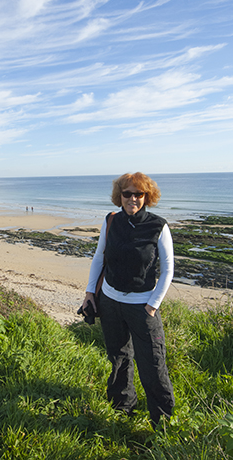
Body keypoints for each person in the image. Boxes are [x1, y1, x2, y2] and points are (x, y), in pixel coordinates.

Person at [81, 172, 175, 428]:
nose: (132, 198)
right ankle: (122, 407)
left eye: (139, 194)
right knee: (119, 356)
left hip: (143, 306)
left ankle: (162, 422)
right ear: (119, 196)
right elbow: (99, 257)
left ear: (147, 196)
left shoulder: (158, 226)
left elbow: (168, 270)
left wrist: (152, 305)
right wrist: (91, 292)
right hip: (110, 301)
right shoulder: (111, 221)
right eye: (127, 193)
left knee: (153, 363)